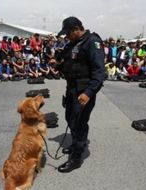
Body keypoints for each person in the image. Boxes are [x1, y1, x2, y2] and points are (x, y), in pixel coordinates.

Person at [55, 16, 106, 173]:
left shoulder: (92, 42)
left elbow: (99, 72)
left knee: (79, 123)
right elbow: (70, 67)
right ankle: (76, 144)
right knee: (69, 117)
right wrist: (58, 66)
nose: (66, 37)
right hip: (71, 89)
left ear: (76, 29)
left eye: (68, 33)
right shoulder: (73, 44)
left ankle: (76, 157)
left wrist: (89, 93)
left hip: (83, 91)